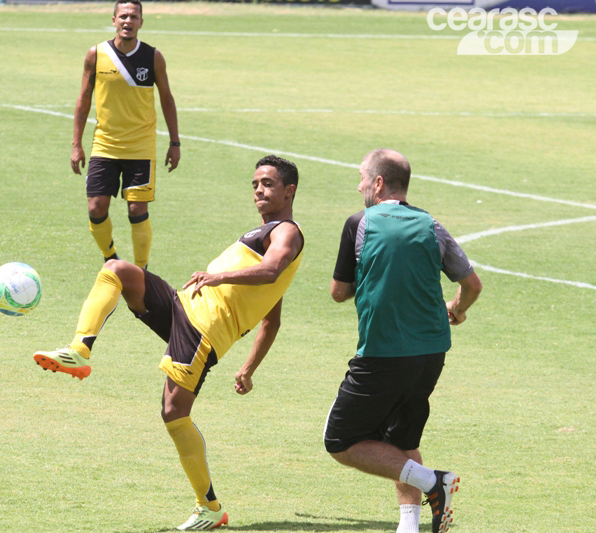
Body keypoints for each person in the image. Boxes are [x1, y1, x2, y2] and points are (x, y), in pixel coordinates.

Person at [34, 155, 303, 531]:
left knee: (174, 413)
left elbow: (272, 270)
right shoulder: (267, 232)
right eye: (256, 183)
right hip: (182, 305)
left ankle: (210, 508)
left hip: (203, 332)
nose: (259, 189)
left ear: (289, 191)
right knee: (118, 271)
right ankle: (79, 350)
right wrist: (248, 368)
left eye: (269, 183)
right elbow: (271, 318)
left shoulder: (287, 232)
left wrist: (218, 276)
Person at [325, 149, 482, 533]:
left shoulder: (358, 223)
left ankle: (433, 482)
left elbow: (339, 292)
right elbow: (472, 285)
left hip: (384, 353)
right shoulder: (431, 225)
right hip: (432, 353)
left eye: (362, 177)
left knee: (340, 441)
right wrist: (457, 310)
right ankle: (408, 526)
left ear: (378, 183)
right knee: (401, 438)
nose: (359, 184)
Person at [70, 0, 180, 269]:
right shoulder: (95, 54)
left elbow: (167, 99)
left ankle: (141, 270)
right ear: (113, 20)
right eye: (123, 16)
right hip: (104, 145)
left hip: (140, 148)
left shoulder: (153, 57)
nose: (128, 21)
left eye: (134, 16)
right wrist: (76, 144)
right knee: (96, 208)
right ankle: (111, 258)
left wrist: (174, 142)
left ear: (141, 22)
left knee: (137, 210)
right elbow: (83, 99)